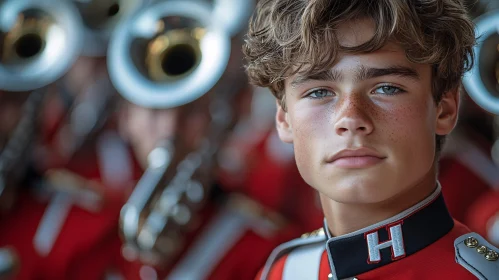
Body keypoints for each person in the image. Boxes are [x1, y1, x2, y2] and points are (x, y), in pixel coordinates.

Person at [243, 0, 499, 279]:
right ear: (284, 118)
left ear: (445, 109)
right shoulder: (282, 273)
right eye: (318, 92)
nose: (350, 119)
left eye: (387, 88)